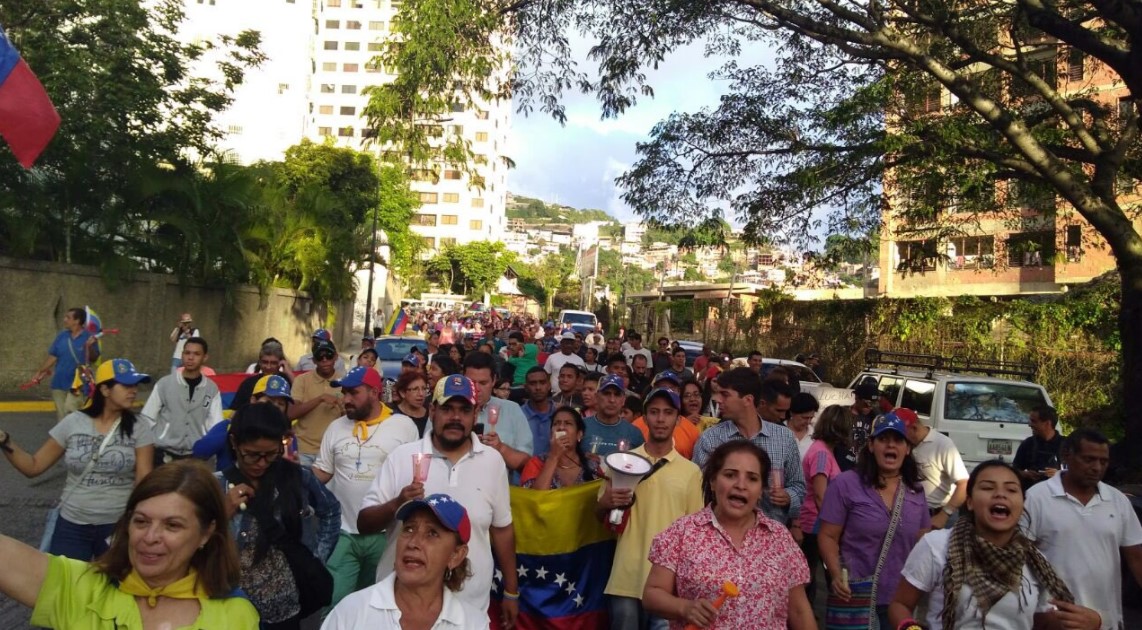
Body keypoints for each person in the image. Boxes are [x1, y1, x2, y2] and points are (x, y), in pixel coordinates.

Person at [0, 459, 259, 628]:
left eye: (172, 525)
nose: (149, 537)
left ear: (206, 533)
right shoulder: (82, 588)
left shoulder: (236, 616)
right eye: (141, 521)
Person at [356, 375, 519, 626]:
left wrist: (511, 590)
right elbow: (364, 523)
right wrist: (396, 502)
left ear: (476, 415)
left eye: (464, 410)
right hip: (398, 610)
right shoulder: (402, 457)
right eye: (447, 408)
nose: (455, 418)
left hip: (468, 608)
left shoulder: (493, 461)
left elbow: (502, 529)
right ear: (432, 411)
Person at [889, 460, 1101, 630]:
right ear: (970, 502)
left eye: (1011, 490)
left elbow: (1039, 621)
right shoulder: (936, 546)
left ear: (1021, 503)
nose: (1000, 494)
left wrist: (1088, 623)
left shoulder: (1036, 561)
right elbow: (900, 605)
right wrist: (909, 627)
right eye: (988, 487)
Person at [643, 440, 816, 630]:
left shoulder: (780, 538)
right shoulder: (683, 532)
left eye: (752, 478)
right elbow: (652, 594)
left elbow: (799, 610)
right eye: (730, 475)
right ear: (713, 482)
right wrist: (684, 607)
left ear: (760, 491)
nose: (741, 485)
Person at [0, 358, 154, 560]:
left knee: (115, 587)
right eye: (126, 385)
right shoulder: (73, 423)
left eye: (135, 385)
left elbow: (144, 482)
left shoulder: (139, 427)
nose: (133, 390)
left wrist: (139, 524)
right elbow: (34, 466)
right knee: (66, 587)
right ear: (105, 390)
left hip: (116, 525)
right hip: (71, 526)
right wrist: (4, 440)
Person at [220, 403, 341, 629]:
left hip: (285, 608)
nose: (262, 463)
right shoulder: (216, 486)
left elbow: (331, 511)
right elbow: (194, 542)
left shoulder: (297, 477)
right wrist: (222, 512)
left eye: (270, 454)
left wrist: (317, 556)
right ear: (235, 443)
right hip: (232, 605)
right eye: (252, 455)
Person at [313, 367, 419, 609]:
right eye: (344, 393)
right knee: (333, 602)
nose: (346, 399)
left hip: (387, 534)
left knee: (377, 604)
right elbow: (323, 471)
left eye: (353, 393)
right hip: (343, 533)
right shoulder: (336, 427)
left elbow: (414, 476)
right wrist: (293, 481)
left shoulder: (404, 426)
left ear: (374, 392)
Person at [597, 388, 704, 630]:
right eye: (654, 412)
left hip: (668, 584)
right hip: (626, 576)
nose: (660, 419)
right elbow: (599, 516)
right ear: (644, 418)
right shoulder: (622, 462)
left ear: (678, 419)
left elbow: (695, 533)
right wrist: (606, 503)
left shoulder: (691, 472)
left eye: (668, 413)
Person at [818, 411, 931, 630]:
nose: (891, 446)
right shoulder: (845, 484)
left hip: (899, 601)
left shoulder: (916, 491)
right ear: (871, 446)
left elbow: (923, 539)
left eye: (898, 440)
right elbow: (828, 535)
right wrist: (835, 574)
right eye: (883, 439)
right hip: (854, 595)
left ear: (907, 449)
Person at [1021, 428, 1142, 630]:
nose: (1097, 467)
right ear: (1067, 456)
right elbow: (1018, 559)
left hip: (1104, 620)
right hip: (1053, 619)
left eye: (1103, 462)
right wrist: (1033, 613)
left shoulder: (1117, 501)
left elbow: (1137, 557)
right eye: (1089, 459)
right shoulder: (1036, 498)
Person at [321, 494, 487, 629]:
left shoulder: (473, 624)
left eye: (432, 533)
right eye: (408, 529)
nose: (413, 542)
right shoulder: (351, 612)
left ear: (456, 555)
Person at [693, 371, 806, 535]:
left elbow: (799, 486)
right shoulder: (710, 439)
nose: (718, 400)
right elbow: (698, 492)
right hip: (720, 538)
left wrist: (788, 497)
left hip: (770, 539)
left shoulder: (784, 438)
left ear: (747, 400)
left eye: (725, 394)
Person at [141, 337, 223, 466]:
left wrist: (208, 448)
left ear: (205, 357)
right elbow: (147, 418)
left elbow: (216, 424)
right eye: (187, 353)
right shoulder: (164, 384)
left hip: (195, 457)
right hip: (164, 454)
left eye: (196, 354)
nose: (190, 357)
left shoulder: (211, 389)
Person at [798, 404, 847, 606]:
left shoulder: (822, 450)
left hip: (816, 523)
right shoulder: (821, 454)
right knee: (810, 577)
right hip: (813, 525)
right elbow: (820, 495)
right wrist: (833, 525)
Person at [194, 374, 294, 472]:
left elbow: (290, 461)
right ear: (253, 400)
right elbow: (200, 451)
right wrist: (235, 429)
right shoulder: (230, 425)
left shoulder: (285, 434)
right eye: (269, 401)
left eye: (281, 404)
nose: (275, 407)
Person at [464, 352, 534, 476]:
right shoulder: (446, 410)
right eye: (472, 383)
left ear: (494, 380)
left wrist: (501, 448)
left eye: (483, 383)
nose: (477, 389)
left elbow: (526, 463)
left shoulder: (512, 410)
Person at [901, 407, 969, 530]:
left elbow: (964, 484)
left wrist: (944, 515)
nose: (899, 439)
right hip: (912, 513)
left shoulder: (943, 444)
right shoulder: (906, 446)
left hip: (939, 514)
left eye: (901, 434)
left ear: (914, 428)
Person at [30, 307, 100, 419]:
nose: (64, 319)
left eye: (68, 317)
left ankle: (74, 435)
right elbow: (53, 356)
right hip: (59, 382)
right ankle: (64, 436)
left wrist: (90, 346)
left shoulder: (89, 337)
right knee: (61, 416)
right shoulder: (62, 336)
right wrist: (40, 372)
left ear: (77, 321)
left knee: (70, 411)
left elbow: (94, 358)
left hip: (78, 384)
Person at [289, 340, 344, 467]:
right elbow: (291, 413)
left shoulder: (344, 381)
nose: (324, 360)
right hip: (304, 450)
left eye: (329, 355)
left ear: (335, 357)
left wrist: (343, 409)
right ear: (314, 360)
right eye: (320, 357)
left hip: (331, 451)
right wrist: (321, 398)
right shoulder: (302, 380)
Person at [521, 406, 603, 489]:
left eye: (568, 423)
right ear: (551, 434)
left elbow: (603, 497)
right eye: (556, 423)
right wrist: (553, 457)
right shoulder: (536, 463)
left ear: (579, 434)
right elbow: (536, 499)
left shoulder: (591, 466)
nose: (561, 427)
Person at [581, 374, 645, 459]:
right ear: (596, 397)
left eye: (617, 394)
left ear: (623, 400)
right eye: (607, 393)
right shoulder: (581, 427)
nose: (612, 400)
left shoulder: (634, 433)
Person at [231, 342, 293, 413]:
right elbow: (234, 411)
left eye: (273, 363)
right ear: (259, 362)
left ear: (281, 363)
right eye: (265, 362)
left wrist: (289, 373)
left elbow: (299, 401)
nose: (268, 367)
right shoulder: (248, 383)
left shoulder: (287, 381)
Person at [1012, 405, 1064, 490]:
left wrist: (1058, 474)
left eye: (1034, 421)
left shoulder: (1067, 445)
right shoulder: (1028, 444)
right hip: (1031, 491)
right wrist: (1026, 474)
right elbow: (1014, 470)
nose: (1030, 424)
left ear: (1047, 423)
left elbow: (1077, 473)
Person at [520, 366, 555, 459]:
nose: (538, 387)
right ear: (526, 387)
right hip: (524, 472)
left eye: (542, 382)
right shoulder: (517, 415)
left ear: (549, 385)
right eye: (533, 383)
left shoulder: (561, 414)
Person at [392, 371, 431, 437]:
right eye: (415, 389)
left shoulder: (430, 416)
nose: (421, 394)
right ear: (402, 393)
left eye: (424, 389)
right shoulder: (391, 414)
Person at [787, 392, 818, 457]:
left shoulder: (816, 435)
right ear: (792, 413)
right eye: (804, 417)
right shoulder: (779, 430)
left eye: (811, 417)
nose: (808, 422)